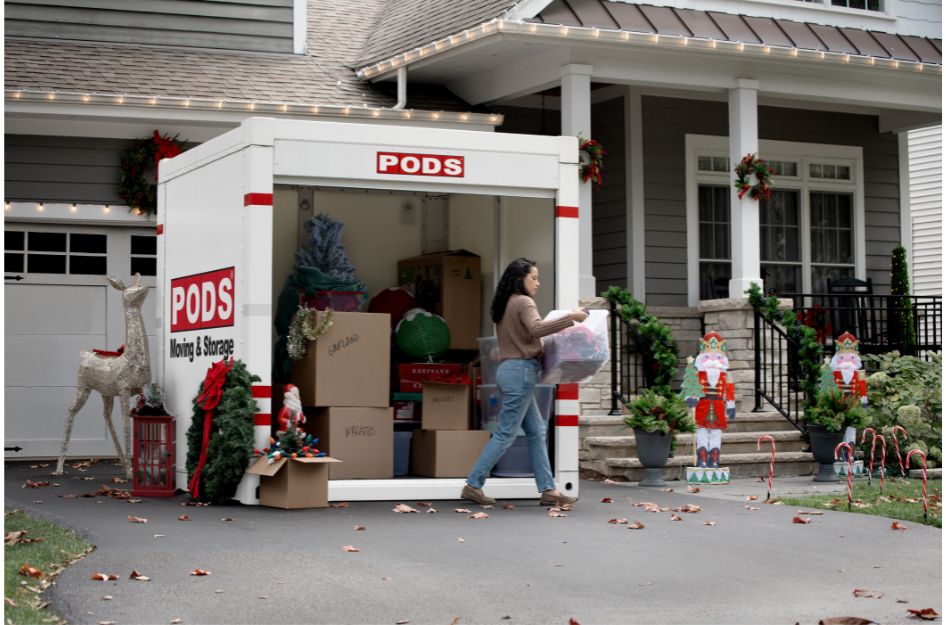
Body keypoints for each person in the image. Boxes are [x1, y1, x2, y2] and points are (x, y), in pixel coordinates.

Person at [461, 258, 587, 507]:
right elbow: (537, 328)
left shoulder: (504, 304)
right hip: (521, 372)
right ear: (521, 279)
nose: (538, 283)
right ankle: (473, 484)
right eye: (534, 278)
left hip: (508, 370)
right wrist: (570, 317)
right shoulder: (524, 302)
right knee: (507, 432)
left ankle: (548, 490)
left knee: (536, 431)